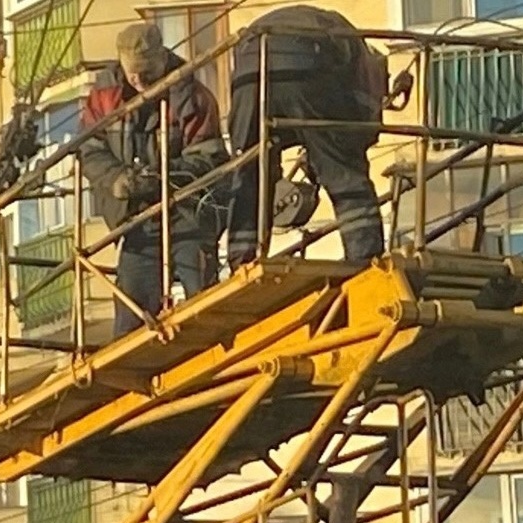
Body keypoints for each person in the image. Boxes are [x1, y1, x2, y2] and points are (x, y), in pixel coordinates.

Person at [79, 23, 227, 334]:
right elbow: (89, 149)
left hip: (188, 212)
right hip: (138, 220)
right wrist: (116, 179)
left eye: (146, 72)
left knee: (202, 298)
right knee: (130, 310)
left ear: (163, 60)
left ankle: (211, 349)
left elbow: (208, 156)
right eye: (132, 72)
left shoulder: (192, 96)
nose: (139, 80)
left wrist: (160, 177)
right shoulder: (104, 96)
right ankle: (132, 374)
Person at [225, 6, 386, 268]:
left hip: (248, 69)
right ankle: (365, 255)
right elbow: (354, 126)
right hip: (305, 62)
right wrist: (334, 155)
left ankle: (241, 258)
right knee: (344, 172)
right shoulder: (365, 59)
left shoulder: (321, 23)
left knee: (248, 170)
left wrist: (313, 153)